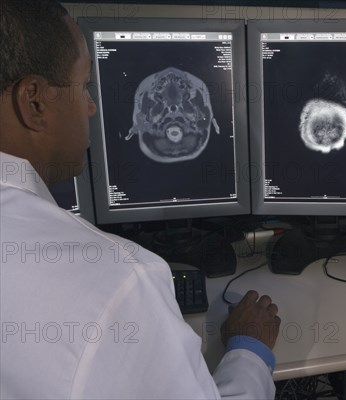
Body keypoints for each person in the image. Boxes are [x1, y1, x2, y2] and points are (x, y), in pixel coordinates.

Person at [0, 1, 281, 398]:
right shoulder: (119, 279)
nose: (92, 107)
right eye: (83, 87)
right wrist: (250, 350)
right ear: (34, 102)